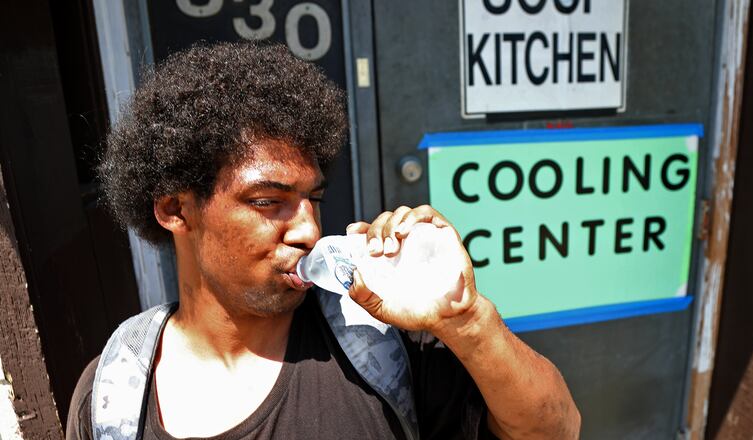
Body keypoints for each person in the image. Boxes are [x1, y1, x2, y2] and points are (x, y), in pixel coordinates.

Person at [66, 42, 580, 440]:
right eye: (268, 200)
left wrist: (465, 320)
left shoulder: (376, 338)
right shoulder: (115, 396)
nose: (310, 229)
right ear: (176, 210)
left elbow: (556, 430)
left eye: (313, 197)